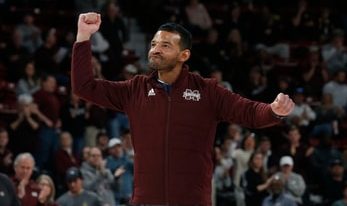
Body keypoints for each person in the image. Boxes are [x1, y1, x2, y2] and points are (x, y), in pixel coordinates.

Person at [72, 12, 295, 205]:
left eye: (165, 45)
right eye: (153, 44)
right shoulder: (135, 90)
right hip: (145, 201)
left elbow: (249, 112)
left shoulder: (207, 91)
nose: (155, 50)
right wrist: (83, 36)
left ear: (184, 55)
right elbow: (84, 87)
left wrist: (274, 110)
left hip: (192, 201)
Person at [106, 137, 134, 205]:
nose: (117, 149)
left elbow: (137, 167)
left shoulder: (127, 160)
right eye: (114, 147)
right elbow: (113, 166)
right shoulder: (107, 162)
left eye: (118, 147)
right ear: (109, 150)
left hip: (129, 197)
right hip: (116, 199)